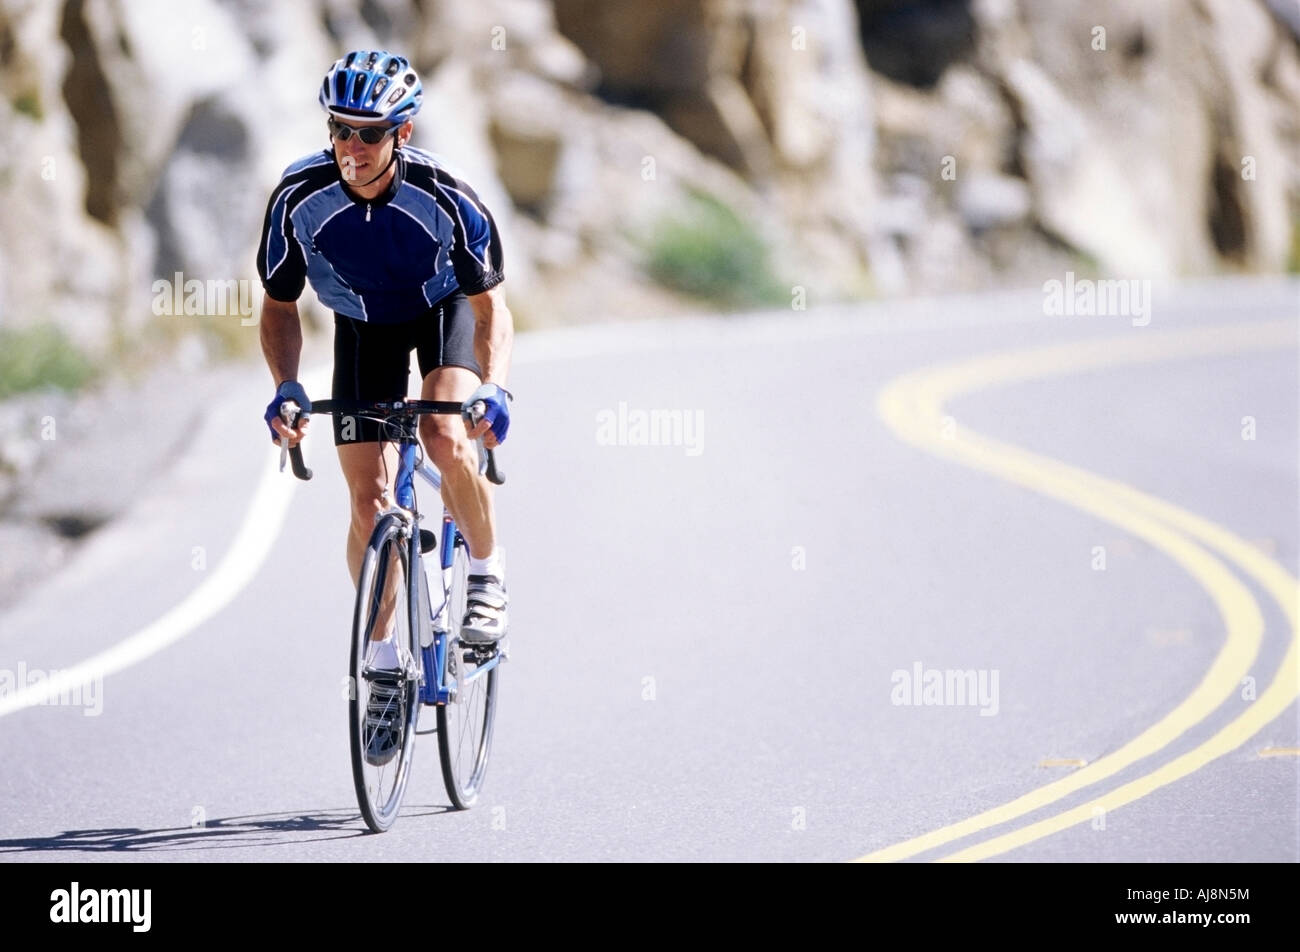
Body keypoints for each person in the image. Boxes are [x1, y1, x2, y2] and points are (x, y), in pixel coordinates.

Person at [255, 51, 513, 760]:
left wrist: (491, 389)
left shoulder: (445, 195)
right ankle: (382, 667)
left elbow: (493, 306)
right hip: (362, 325)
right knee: (369, 502)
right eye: (339, 129)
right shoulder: (298, 198)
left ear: (402, 133)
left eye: (368, 134)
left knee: (442, 433)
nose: (350, 148)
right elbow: (278, 307)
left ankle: (488, 579)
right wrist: (285, 385)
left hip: (443, 311)